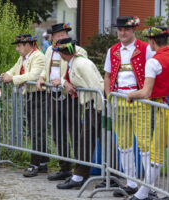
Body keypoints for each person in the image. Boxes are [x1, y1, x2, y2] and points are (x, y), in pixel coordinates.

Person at [103, 16, 155, 197]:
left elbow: (155, 71)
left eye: (126, 29)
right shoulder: (112, 50)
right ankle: (131, 183)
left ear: (134, 30)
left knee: (144, 144)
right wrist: (109, 96)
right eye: (119, 29)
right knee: (123, 144)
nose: (122, 33)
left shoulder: (145, 48)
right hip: (118, 100)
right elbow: (108, 75)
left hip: (139, 99)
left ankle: (149, 187)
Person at [48, 38, 104, 189]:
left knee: (105, 142)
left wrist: (100, 108)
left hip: (96, 106)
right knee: (85, 141)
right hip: (88, 105)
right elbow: (66, 77)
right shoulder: (73, 62)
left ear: (61, 53)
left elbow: (97, 86)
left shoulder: (82, 64)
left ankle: (111, 177)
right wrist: (64, 82)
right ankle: (79, 176)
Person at [37, 22, 88, 181]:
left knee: (75, 135)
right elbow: (47, 69)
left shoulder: (79, 51)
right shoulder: (50, 50)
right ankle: (64, 168)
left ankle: (80, 172)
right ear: (53, 38)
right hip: (53, 95)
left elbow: (79, 71)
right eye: (59, 36)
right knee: (58, 134)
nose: (62, 37)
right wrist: (41, 77)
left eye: (64, 35)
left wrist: (64, 80)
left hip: (70, 97)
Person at [126, 27, 169, 200]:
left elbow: (145, 92)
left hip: (164, 109)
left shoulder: (154, 61)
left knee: (156, 152)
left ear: (152, 41)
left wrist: (131, 95)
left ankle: (143, 193)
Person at [0, 34, 47, 177]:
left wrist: (12, 78)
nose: (17, 49)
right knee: (34, 130)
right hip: (31, 95)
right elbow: (15, 69)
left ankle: (35, 164)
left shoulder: (38, 56)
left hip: (40, 96)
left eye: (19, 45)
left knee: (37, 130)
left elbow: (34, 75)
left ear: (28, 45)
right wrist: (6, 75)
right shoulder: (24, 57)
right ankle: (43, 162)